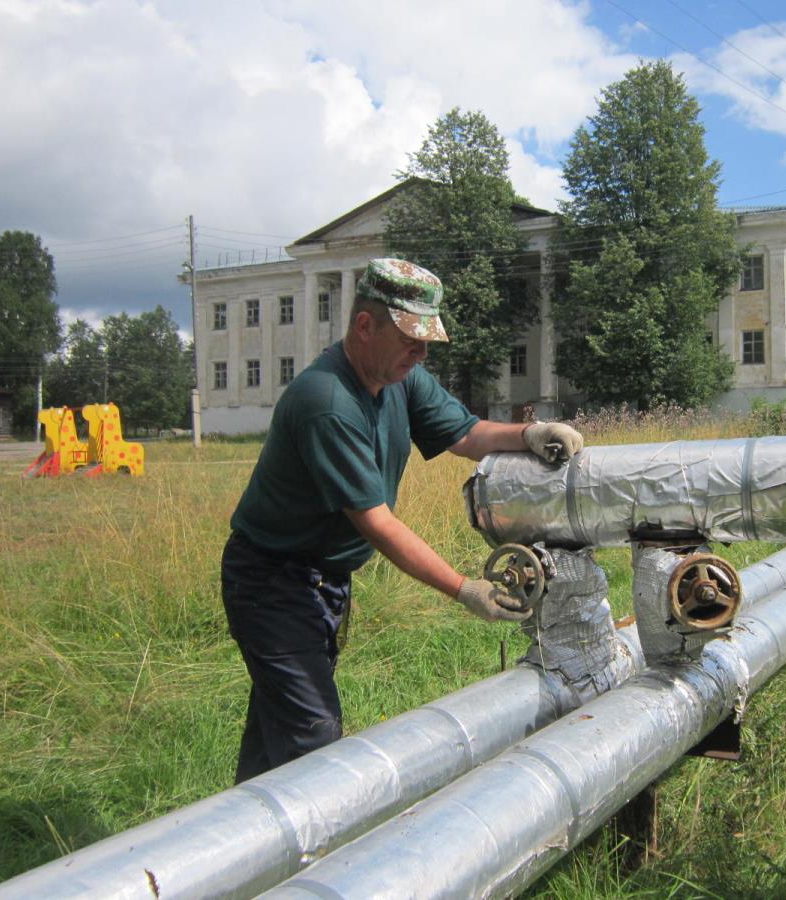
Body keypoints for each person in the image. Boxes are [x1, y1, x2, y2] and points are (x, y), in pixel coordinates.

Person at [221, 257, 583, 783]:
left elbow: (464, 434)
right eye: (411, 337)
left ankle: (241, 841)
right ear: (364, 327)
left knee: (280, 728)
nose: (422, 351)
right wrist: (464, 589)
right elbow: (379, 524)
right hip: (272, 583)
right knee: (314, 740)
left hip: (319, 582)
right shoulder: (328, 401)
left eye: (427, 339)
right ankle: (320, 857)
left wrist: (527, 435)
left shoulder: (399, 379)